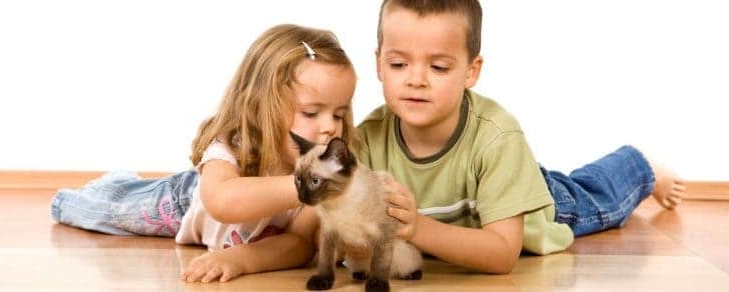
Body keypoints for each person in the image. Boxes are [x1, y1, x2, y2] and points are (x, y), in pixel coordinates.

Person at [358, 0, 686, 274]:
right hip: (488, 193)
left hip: (531, 207)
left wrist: (418, 229)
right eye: (398, 64)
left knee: (594, 197)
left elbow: (502, 254)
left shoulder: (498, 138)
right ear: (378, 65)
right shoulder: (367, 138)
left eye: (439, 68)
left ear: (471, 71)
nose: (416, 79)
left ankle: (641, 166)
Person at [51, 23, 359, 283]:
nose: (329, 128)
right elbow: (223, 202)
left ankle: (122, 183)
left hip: (229, 232)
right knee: (103, 210)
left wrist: (239, 260)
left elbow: (299, 243)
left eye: (338, 114)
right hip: (182, 202)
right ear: (263, 105)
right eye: (311, 112)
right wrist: (304, 185)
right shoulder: (235, 145)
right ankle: (106, 187)